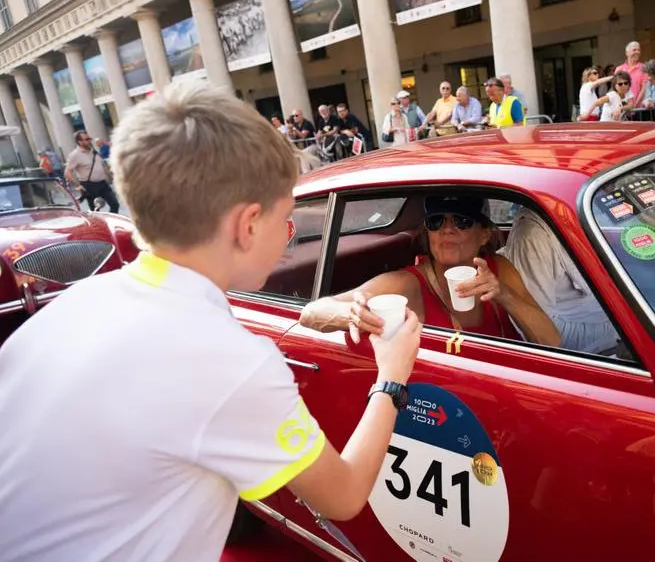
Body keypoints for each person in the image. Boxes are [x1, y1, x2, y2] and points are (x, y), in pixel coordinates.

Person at [0, 81, 423, 560]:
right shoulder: (230, 362)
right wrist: (391, 378)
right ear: (247, 226)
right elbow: (343, 495)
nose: (290, 239)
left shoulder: (74, 305)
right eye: (288, 221)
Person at [300, 195, 560, 347]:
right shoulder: (408, 283)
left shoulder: (498, 269)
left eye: (462, 221)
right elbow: (311, 313)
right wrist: (351, 314)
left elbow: (551, 343)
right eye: (436, 221)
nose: (447, 229)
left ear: (484, 235)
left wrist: (503, 293)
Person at [500, 207, 619, 353]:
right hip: (594, 342)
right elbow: (546, 332)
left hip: (613, 314)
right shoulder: (533, 236)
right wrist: (619, 331)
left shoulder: (588, 210)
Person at [65, 129, 119, 213]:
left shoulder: (94, 151)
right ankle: (99, 224)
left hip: (103, 183)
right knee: (95, 210)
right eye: (86, 140)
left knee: (115, 204)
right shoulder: (75, 155)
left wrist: (111, 175)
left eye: (89, 139)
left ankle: (110, 222)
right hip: (89, 185)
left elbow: (102, 165)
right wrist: (78, 185)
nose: (89, 141)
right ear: (79, 142)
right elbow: (68, 172)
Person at [615, 42, 650, 121]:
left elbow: (643, 89)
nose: (637, 52)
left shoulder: (644, 68)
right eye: (634, 50)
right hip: (623, 110)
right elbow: (616, 90)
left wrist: (634, 106)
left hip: (639, 110)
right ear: (627, 53)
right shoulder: (619, 69)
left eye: (638, 50)